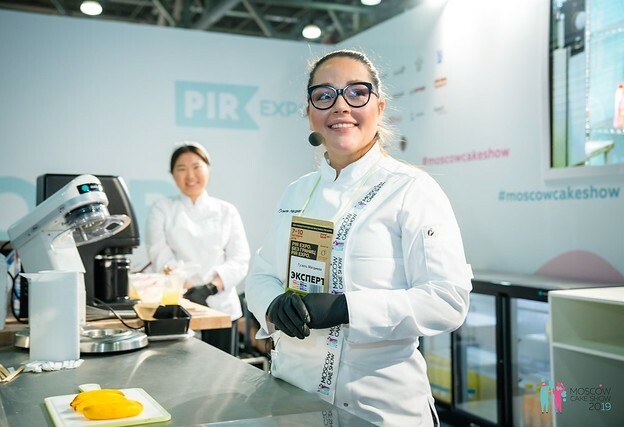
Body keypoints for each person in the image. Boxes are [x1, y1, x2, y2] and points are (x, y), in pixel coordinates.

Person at [245, 49, 472, 426]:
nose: (340, 106)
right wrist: (273, 304)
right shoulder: (296, 193)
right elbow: (261, 274)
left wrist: (346, 308)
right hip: (293, 397)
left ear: (379, 108)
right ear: (310, 113)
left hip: (379, 406)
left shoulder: (411, 190)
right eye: (324, 95)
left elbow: (447, 298)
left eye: (356, 92)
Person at [147, 142, 250, 355]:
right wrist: (185, 286)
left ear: (208, 169)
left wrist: (209, 288)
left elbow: (239, 259)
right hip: (181, 304)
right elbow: (159, 254)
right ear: (172, 174)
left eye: (196, 167)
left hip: (221, 305)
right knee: (180, 367)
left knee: (222, 370)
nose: (190, 175)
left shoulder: (226, 211)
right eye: (181, 169)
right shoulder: (162, 208)